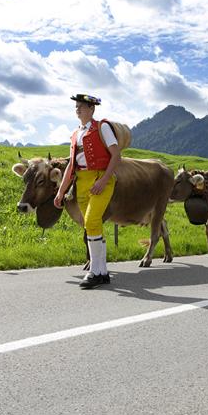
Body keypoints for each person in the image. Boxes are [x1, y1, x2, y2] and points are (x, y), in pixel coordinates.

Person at [54, 94, 120, 288]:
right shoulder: (75, 134)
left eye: (82, 106)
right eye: (76, 106)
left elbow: (116, 155)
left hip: (100, 179)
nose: (78, 109)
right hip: (81, 181)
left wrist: (105, 179)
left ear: (92, 109)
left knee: (92, 220)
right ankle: (102, 272)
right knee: (91, 225)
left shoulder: (102, 127)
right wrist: (61, 192)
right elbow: (70, 166)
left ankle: (94, 272)